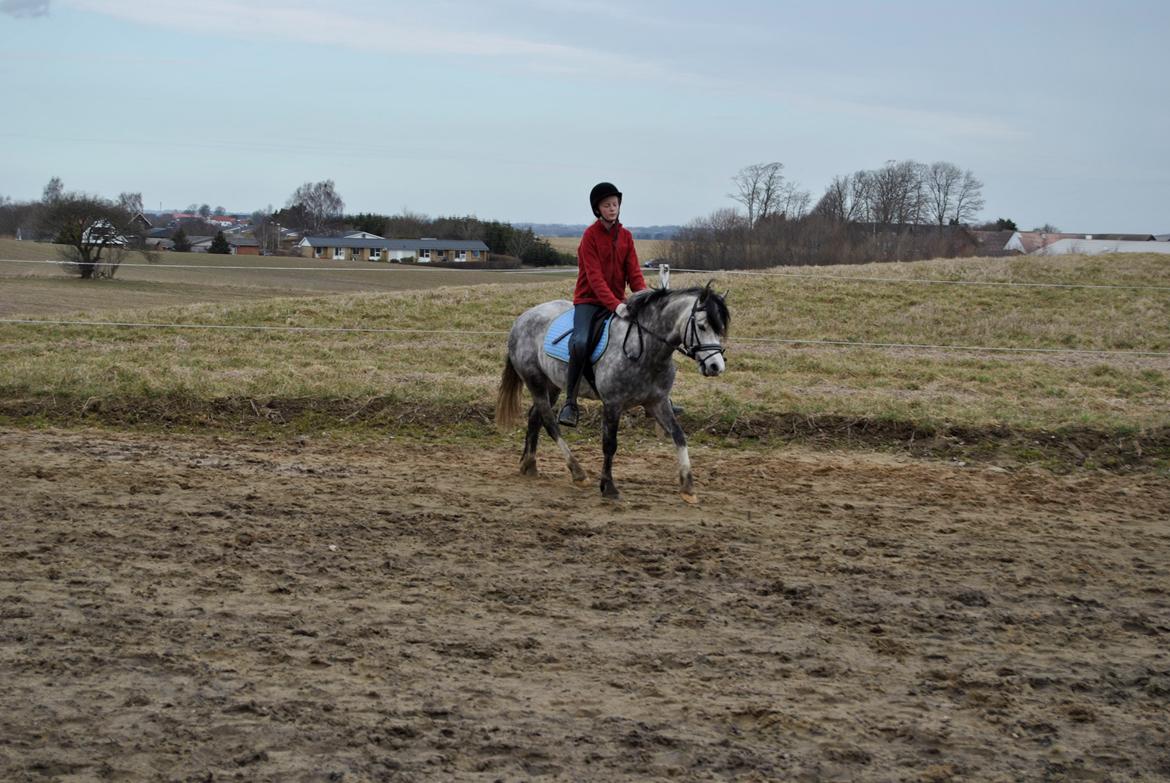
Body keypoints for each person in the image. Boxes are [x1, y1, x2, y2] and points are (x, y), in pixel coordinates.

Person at [557, 182, 647, 427]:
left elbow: (634, 274)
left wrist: (645, 298)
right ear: (597, 209)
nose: (612, 208)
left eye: (615, 204)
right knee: (581, 341)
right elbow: (595, 279)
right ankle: (570, 403)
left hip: (617, 301)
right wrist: (616, 305)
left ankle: (657, 398)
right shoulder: (589, 237)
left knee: (646, 336)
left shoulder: (626, 236)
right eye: (607, 205)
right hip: (589, 301)